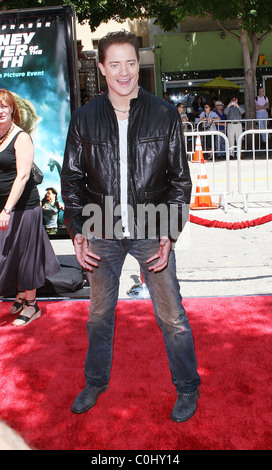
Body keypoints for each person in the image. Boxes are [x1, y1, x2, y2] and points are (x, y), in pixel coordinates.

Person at [61, 31, 200, 423]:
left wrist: (170, 233)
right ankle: (94, 381)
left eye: (131, 63)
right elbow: (71, 181)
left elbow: (179, 181)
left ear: (138, 66)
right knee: (99, 314)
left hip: (152, 226)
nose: (124, 72)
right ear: (102, 68)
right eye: (115, 64)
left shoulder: (164, 114)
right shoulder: (84, 118)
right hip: (101, 226)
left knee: (172, 314)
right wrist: (77, 231)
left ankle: (188, 386)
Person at [0, 89, 60, 326]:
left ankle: (32, 305)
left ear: (13, 109)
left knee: (25, 255)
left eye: (5, 106)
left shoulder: (21, 137)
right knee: (8, 255)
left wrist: (7, 210)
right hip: (4, 207)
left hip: (23, 207)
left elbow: (23, 176)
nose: (0, 111)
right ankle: (20, 295)